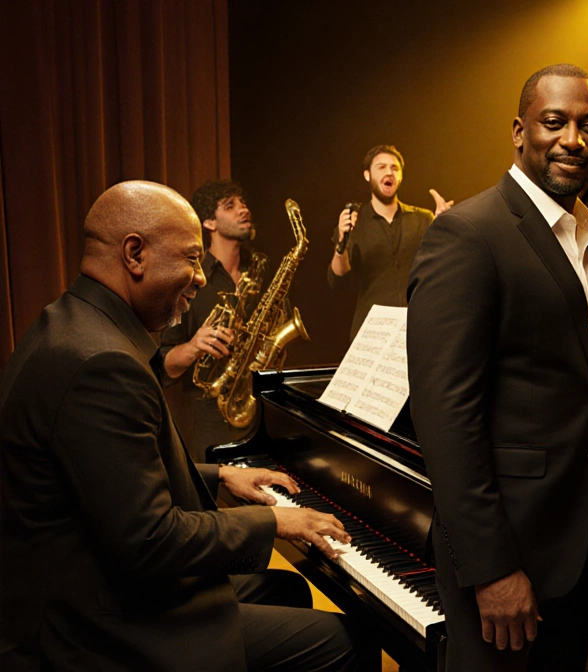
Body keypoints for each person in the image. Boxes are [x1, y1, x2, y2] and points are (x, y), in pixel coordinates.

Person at [0, 181, 369, 671]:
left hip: (91, 577)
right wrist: (277, 521)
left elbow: (114, 474)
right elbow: (150, 542)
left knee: (286, 585)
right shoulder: (102, 362)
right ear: (135, 254)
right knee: (348, 641)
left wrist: (222, 476)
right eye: (192, 259)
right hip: (94, 625)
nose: (199, 278)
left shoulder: (69, 322)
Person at [406, 64, 588, 672]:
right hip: (511, 555)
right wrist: (492, 567)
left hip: (582, 545)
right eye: (555, 122)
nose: (574, 139)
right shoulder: (468, 234)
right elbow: (445, 415)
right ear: (519, 132)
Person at [159, 179, 264, 461]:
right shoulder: (190, 281)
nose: (243, 210)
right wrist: (194, 346)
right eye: (230, 206)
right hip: (211, 416)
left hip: (262, 409)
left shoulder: (259, 270)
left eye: (243, 203)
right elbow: (163, 363)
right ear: (209, 222)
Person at [328, 144, 453, 340]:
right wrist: (341, 242)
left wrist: (444, 228)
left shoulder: (422, 218)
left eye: (395, 168)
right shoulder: (354, 222)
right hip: (372, 333)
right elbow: (338, 279)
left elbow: (442, 270)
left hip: (418, 328)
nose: (389, 172)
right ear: (367, 175)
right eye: (381, 167)